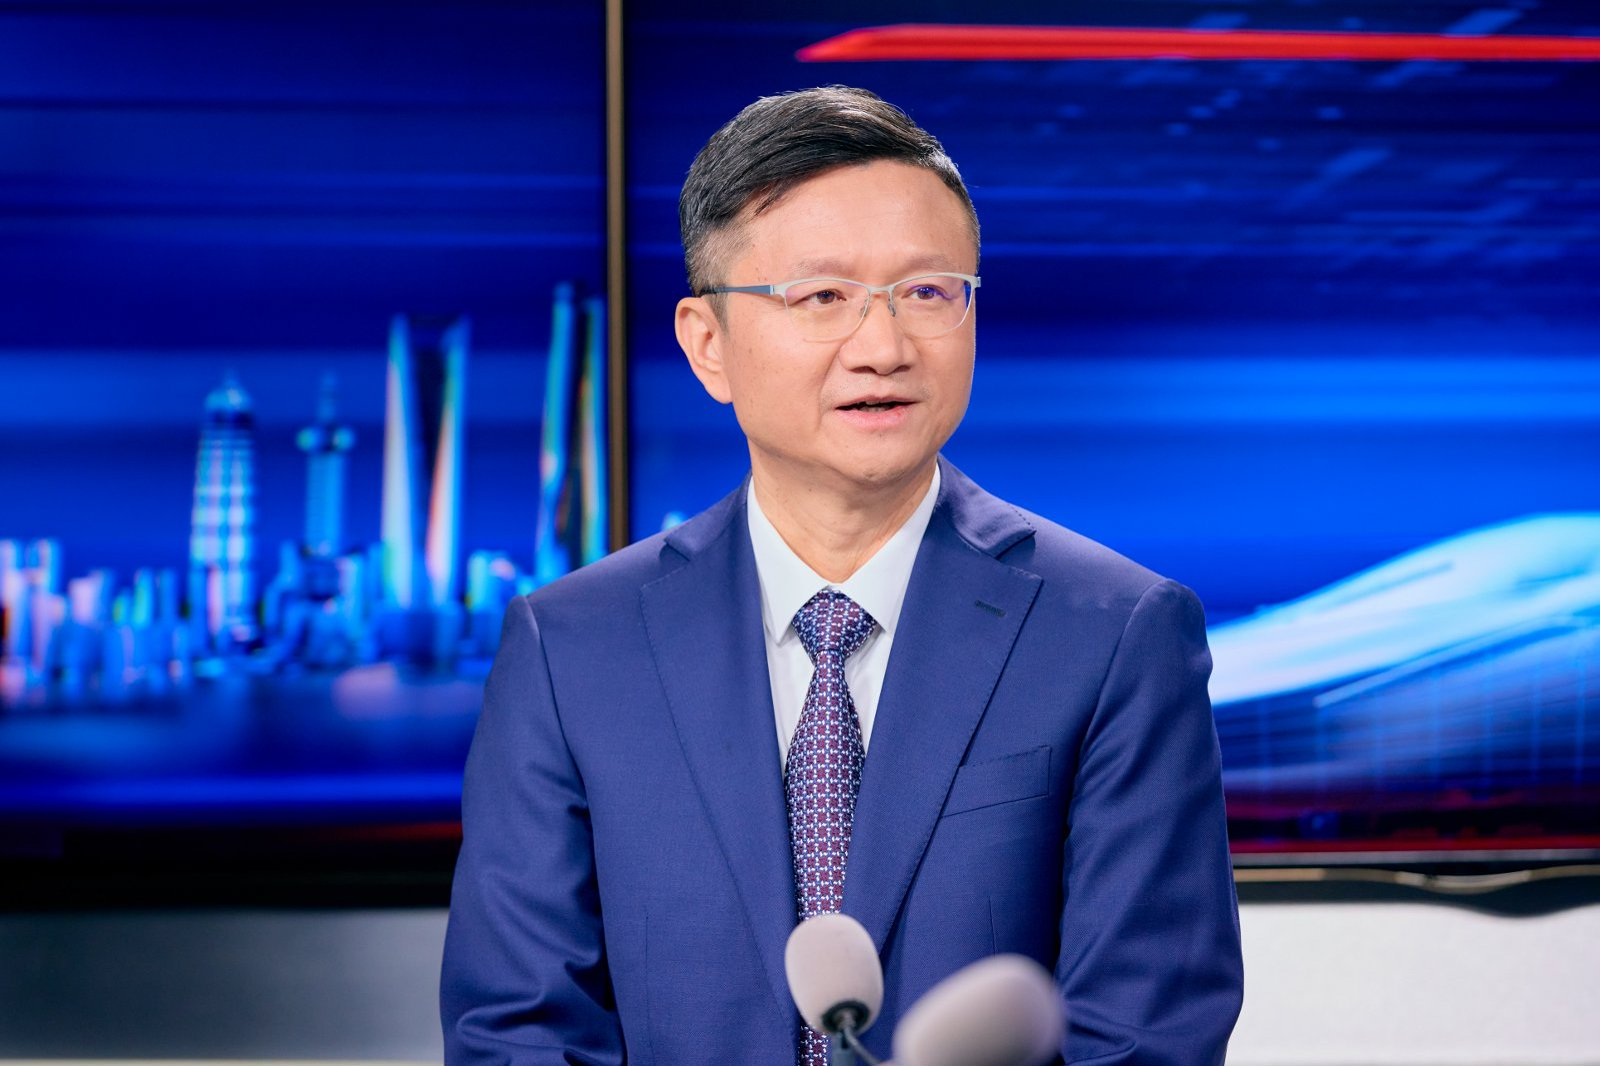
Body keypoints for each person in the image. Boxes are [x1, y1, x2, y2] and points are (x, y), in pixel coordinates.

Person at [441, 85, 1243, 1065]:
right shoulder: (570, 648)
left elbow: (1145, 1034)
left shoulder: (1116, 633)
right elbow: (519, 1031)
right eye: (822, 297)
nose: (884, 348)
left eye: (928, 292)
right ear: (707, 344)